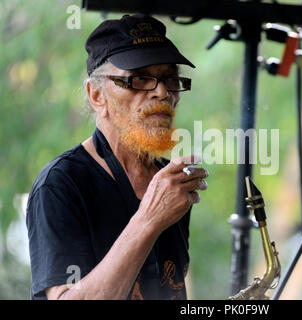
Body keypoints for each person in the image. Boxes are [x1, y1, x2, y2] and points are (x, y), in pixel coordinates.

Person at [26, 14, 208, 300]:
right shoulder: (60, 185)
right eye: (138, 79)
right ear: (97, 95)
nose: (162, 92)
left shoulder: (168, 182)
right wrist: (149, 219)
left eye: (170, 79)